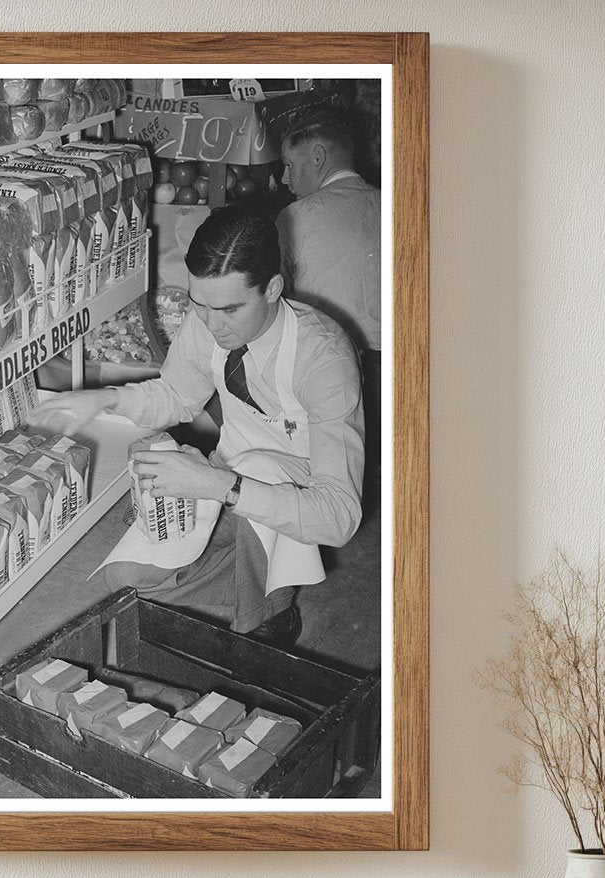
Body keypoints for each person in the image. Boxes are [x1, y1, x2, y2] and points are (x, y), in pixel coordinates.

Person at [28, 205, 364, 645]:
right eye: (199, 304)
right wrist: (108, 398)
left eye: (228, 309)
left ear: (273, 289)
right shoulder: (208, 317)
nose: (211, 324)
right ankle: (247, 583)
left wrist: (220, 485)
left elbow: (339, 517)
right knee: (126, 580)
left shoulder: (324, 360)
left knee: (262, 469)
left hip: (287, 501)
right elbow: (177, 396)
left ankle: (266, 620)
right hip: (224, 480)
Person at [275, 110, 382, 470]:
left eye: (289, 164)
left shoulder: (296, 216)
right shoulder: (398, 203)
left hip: (333, 373)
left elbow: (279, 302)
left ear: (318, 157)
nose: (285, 178)